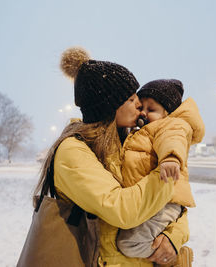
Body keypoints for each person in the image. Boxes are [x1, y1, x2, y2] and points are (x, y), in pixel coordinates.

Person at [34, 47, 190, 267]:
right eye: (130, 98)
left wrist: (174, 237)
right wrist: (169, 173)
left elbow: (172, 206)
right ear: (109, 107)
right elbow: (123, 210)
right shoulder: (73, 152)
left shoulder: (128, 143)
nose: (138, 104)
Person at [116, 79, 205, 264]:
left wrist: (170, 158)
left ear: (167, 113)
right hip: (150, 200)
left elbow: (172, 139)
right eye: (142, 107)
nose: (144, 113)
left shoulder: (170, 125)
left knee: (129, 243)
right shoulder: (141, 132)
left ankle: (175, 258)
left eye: (152, 109)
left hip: (165, 202)